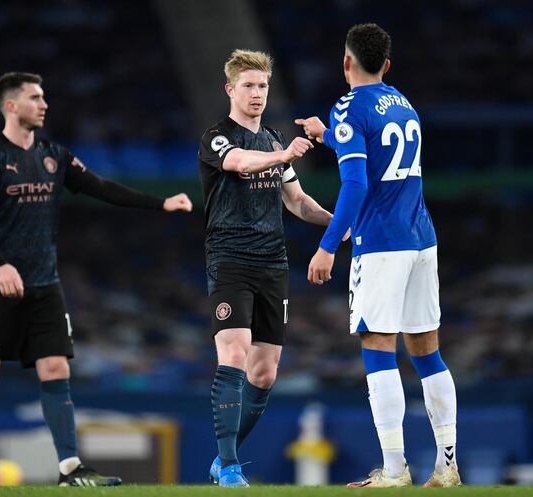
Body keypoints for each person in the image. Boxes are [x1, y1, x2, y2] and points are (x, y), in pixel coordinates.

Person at [0, 72, 193, 487]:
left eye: (44, 96)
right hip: (0, 284)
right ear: (12, 106)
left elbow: (100, 187)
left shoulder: (54, 154)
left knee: (55, 368)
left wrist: (162, 203)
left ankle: (69, 469)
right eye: (35, 97)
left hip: (45, 284)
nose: (44, 103)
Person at [296, 23, 461, 488]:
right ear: (386, 64)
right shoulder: (403, 103)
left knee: (377, 348)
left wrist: (328, 244)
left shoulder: (349, 104)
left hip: (382, 243)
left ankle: (393, 470)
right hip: (421, 238)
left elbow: (356, 183)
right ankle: (447, 464)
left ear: (347, 62)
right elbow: (371, 147)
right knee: (428, 352)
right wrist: (327, 135)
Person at [198, 50, 334, 487]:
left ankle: (224, 460)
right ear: (230, 90)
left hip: (272, 263)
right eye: (248, 86)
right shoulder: (216, 138)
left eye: (262, 87)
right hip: (229, 259)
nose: (256, 94)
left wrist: (339, 227)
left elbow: (296, 202)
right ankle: (231, 467)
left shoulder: (274, 139)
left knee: (265, 372)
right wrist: (284, 157)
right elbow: (238, 163)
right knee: (234, 355)